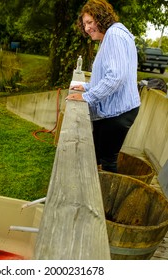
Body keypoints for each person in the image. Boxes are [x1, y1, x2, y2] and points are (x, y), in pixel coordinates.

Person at [66, 0, 141, 173]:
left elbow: (115, 77)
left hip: (118, 111)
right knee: (97, 153)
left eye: (90, 22)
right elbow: (107, 74)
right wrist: (88, 87)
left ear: (101, 17)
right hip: (116, 109)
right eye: (84, 24)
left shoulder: (114, 35)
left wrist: (87, 97)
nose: (86, 28)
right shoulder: (111, 36)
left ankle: (105, 196)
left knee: (107, 160)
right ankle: (92, 188)